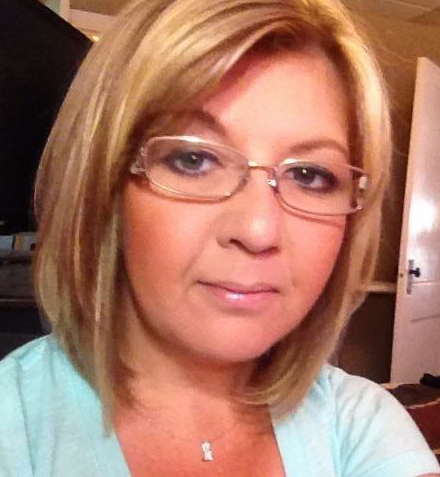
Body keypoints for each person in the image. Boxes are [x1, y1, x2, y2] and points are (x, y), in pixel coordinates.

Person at [0, 0, 439, 475]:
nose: (258, 231)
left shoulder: (364, 425)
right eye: (194, 160)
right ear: (104, 183)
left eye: (310, 175)